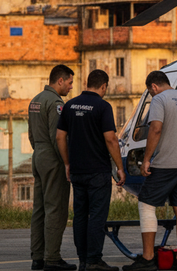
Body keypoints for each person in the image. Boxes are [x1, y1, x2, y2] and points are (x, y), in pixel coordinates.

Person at [123, 71, 177, 271]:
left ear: (153, 87)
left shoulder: (159, 100)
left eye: (150, 92)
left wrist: (147, 159)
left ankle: (148, 258)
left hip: (166, 163)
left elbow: (156, 129)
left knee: (146, 204)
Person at [56, 70, 125, 271]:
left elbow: (61, 137)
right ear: (104, 86)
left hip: (77, 170)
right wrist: (120, 168)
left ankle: (83, 260)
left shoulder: (70, 105)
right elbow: (111, 139)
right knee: (96, 216)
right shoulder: (103, 107)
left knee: (80, 215)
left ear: (87, 83)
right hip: (98, 171)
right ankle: (94, 260)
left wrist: (67, 164)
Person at [29, 65, 77, 271]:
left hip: (38, 155)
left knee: (39, 209)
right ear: (60, 81)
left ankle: (38, 257)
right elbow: (57, 136)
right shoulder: (56, 103)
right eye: (69, 82)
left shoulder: (36, 100)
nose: (71, 87)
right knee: (56, 209)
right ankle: (52, 258)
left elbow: (31, 134)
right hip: (52, 157)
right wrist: (66, 162)